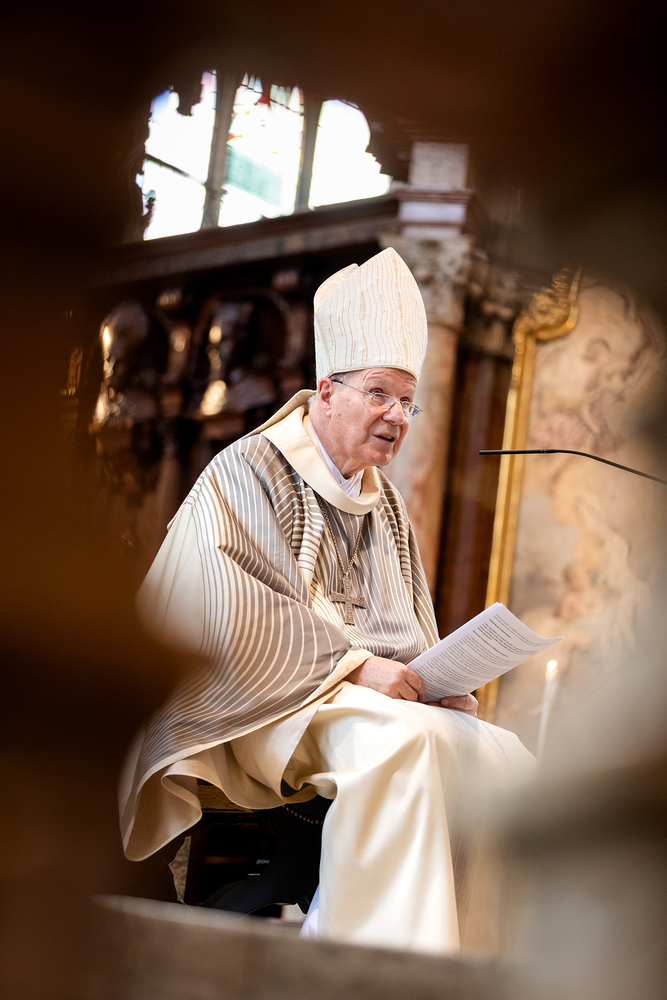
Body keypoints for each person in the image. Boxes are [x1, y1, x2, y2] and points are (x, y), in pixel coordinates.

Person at [119, 247, 532, 954]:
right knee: (399, 745)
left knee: (500, 754)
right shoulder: (249, 468)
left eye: (407, 401)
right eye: (379, 394)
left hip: (343, 699)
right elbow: (227, 608)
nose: (397, 416)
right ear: (326, 390)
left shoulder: (385, 503)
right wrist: (354, 667)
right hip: (253, 698)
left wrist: (433, 683)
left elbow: (404, 625)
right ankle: (364, 967)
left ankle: (465, 965)